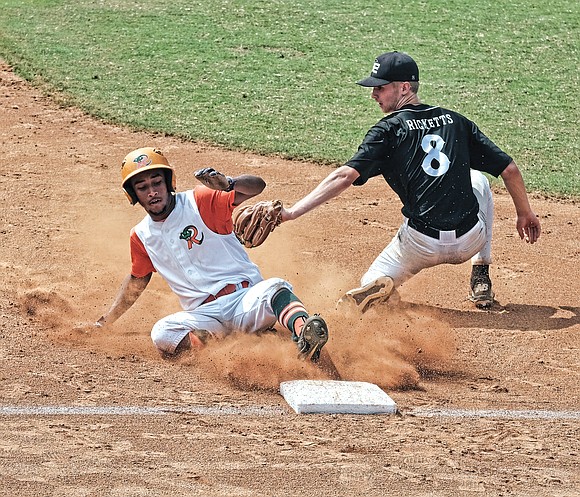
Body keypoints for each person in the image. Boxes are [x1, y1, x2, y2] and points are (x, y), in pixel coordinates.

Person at [280, 51, 541, 312]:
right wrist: (524, 213)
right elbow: (509, 169)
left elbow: (344, 176)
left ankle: (386, 294)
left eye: (380, 88)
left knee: (370, 282)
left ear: (404, 87)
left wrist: (291, 213)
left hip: (420, 244)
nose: (373, 95)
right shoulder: (455, 122)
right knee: (479, 179)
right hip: (468, 240)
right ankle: (481, 272)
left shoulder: (387, 130)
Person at [94, 147, 329, 362]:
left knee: (275, 287)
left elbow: (257, 186)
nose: (153, 192)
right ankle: (229, 350)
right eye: (142, 188)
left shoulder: (200, 201)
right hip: (205, 316)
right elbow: (137, 281)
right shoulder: (141, 236)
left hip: (245, 300)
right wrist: (106, 321)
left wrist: (228, 183)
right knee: (163, 332)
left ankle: (305, 336)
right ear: (133, 194)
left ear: (168, 182)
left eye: (157, 183)